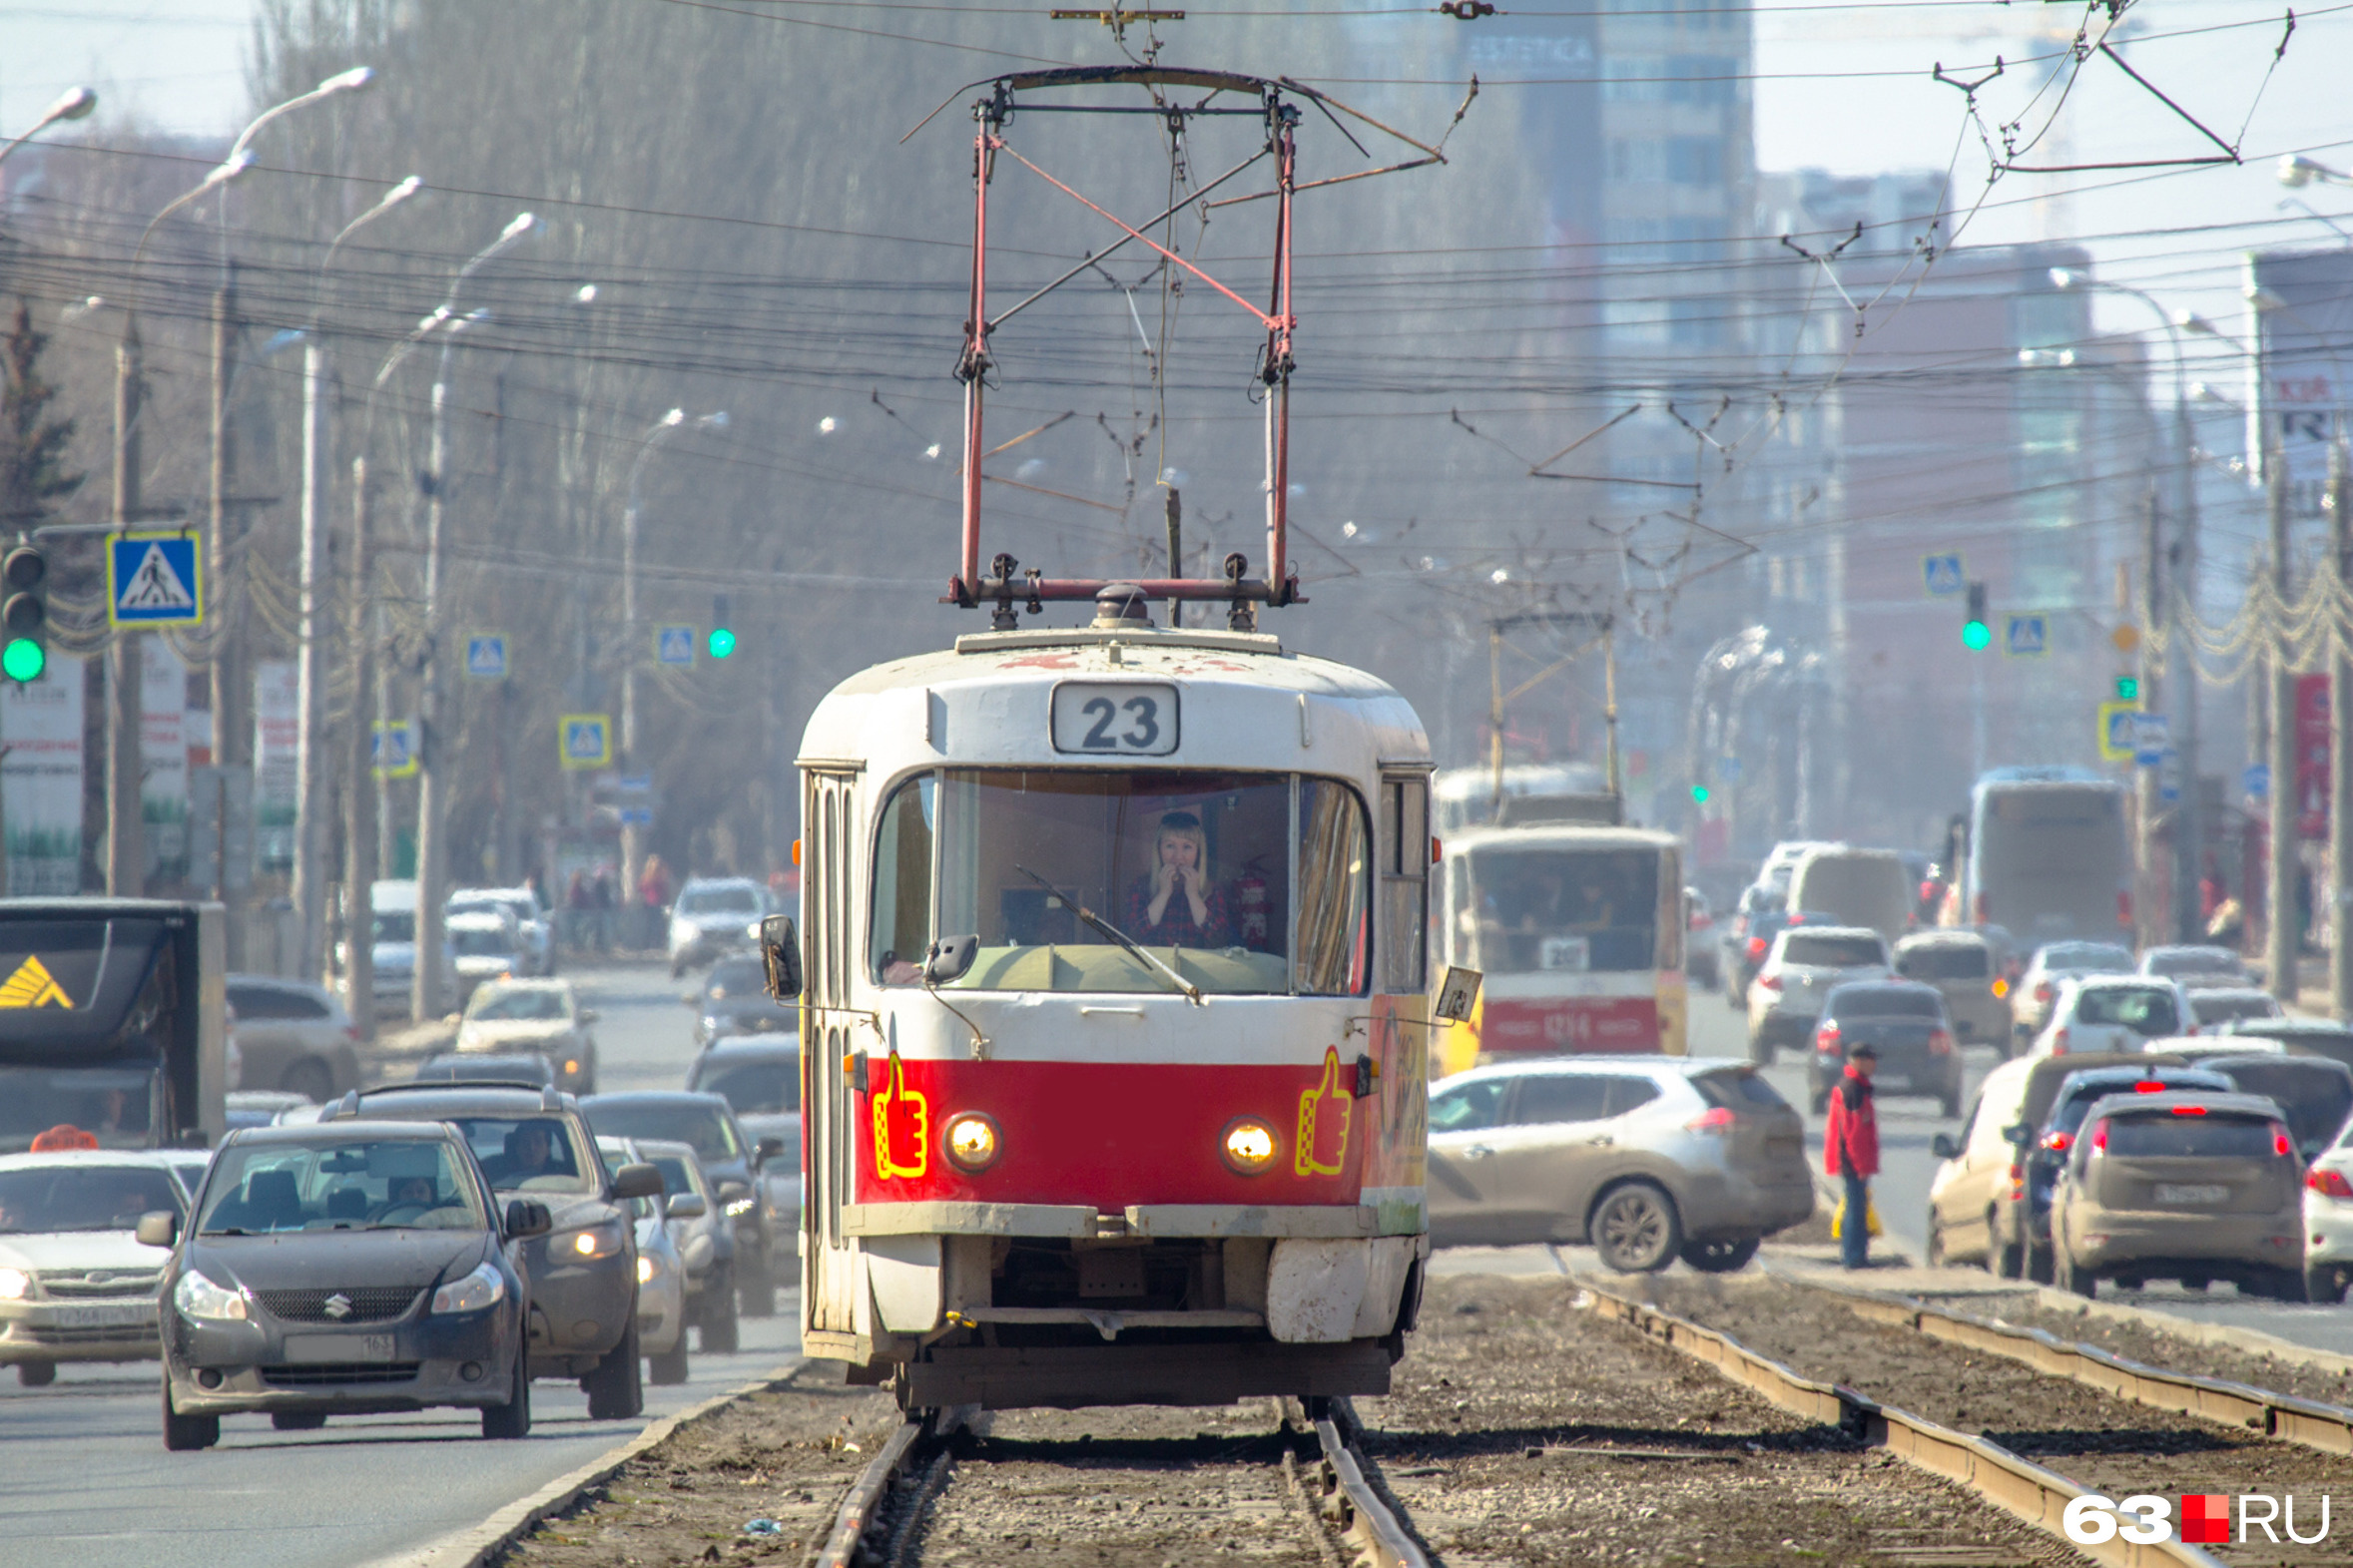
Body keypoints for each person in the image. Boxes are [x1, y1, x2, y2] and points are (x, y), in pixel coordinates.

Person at [1124, 810, 1235, 948]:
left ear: (1198, 852)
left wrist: (1193, 896)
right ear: (1159, 849)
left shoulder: (1213, 890)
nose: (1178, 856)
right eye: (1170, 846)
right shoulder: (1141, 886)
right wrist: (1163, 894)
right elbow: (1132, 937)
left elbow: (1219, 941)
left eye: (1187, 847)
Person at [1824, 1042, 1880, 1270]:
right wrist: (1860, 1164)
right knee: (1855, 1209)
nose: (1874, 1065)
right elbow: (1854, 1132)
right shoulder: (1852, 1090)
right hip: (1852, 1162)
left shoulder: (1858, 1087)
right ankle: (1853, 1257)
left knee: (1857, 1206)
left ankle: (1856, 1255)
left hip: (1854, 1161)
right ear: (1858, 1061)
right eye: (1870, 1060)